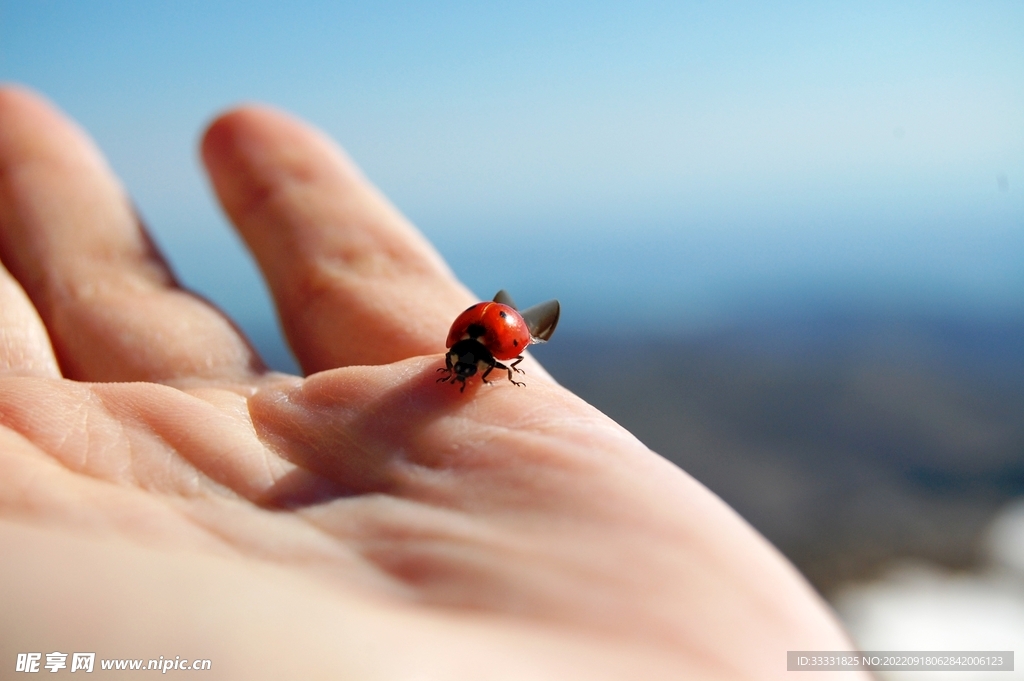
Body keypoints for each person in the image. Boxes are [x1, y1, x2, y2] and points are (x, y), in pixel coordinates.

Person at [0, 85, 868, 680]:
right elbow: (495, 342)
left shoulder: (481, 341)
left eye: (470, 362)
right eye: (469, 360)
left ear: (471, 355)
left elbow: (492, 338)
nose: (463, 369)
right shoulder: (487, 347)